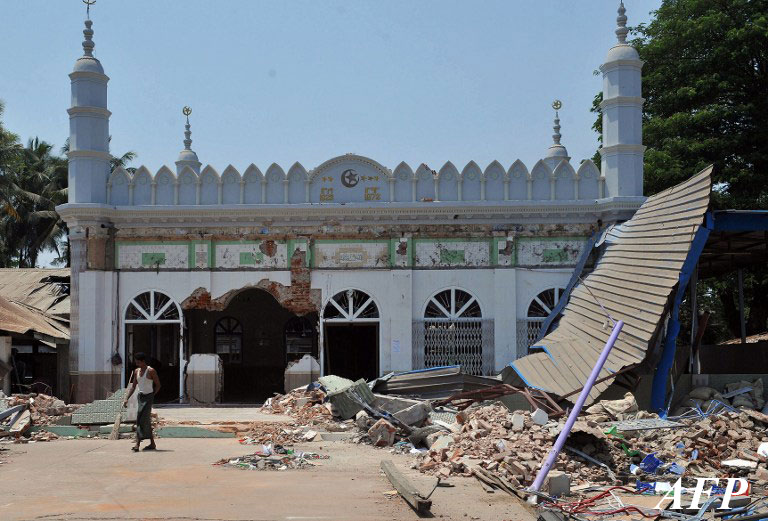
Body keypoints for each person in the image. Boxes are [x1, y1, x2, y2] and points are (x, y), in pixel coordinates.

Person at [122, 352, 161, 452]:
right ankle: (152, 443)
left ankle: (137, 444)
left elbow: (158, 385)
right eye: (136, 362)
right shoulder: (136, 371)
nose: (137, 364)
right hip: (141, 397)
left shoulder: (151, 370)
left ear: (143, 361)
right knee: (144, 421)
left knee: (140, 419)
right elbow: (134, 386)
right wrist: (127, 398)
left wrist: (152, 396)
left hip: (148, 397)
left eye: (138, 362)